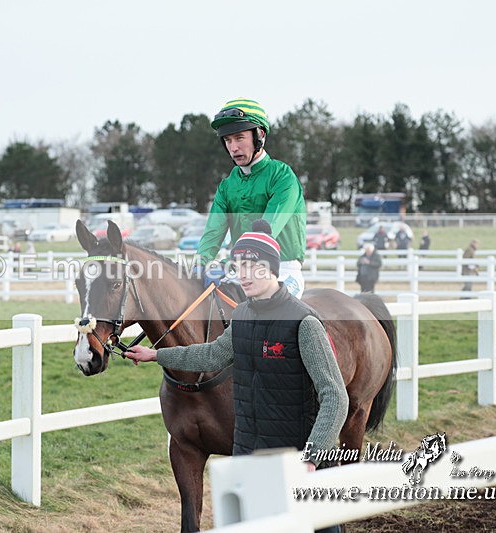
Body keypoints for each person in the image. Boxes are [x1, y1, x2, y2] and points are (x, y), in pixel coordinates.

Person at [127, 220, 347, 533]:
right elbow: (211, 355)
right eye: (239, 267)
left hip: (298, 459)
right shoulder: (241, 316)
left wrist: (312, 456)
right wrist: (156, 355)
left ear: (271, 268)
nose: (243, 274)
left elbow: (335, 396)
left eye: (252, 267)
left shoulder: (303, 323)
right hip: (250, 457)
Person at [197, 98, 306, 297]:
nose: (233, 147)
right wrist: (200, 265)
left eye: (239, 138)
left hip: (281, 270)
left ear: (260, 135)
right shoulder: (227, 186)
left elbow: (264, 234)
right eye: (228, 140)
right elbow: (212, 233)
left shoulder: (282, 176)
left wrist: (226, 264)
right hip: (239, 270)